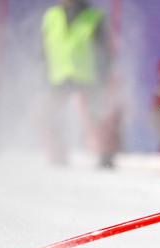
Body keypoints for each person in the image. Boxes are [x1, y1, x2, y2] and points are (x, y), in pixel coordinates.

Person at [40, 0, 119, 168]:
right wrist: (44, 73)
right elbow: (44, 50)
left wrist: (102, 80)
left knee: (92, 116)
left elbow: (105, 53)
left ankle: (105, 156)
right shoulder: (51, 16)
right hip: (59, 77)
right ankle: (57, 156)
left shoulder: (94, 17)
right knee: (45, 114)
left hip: (87, 77)